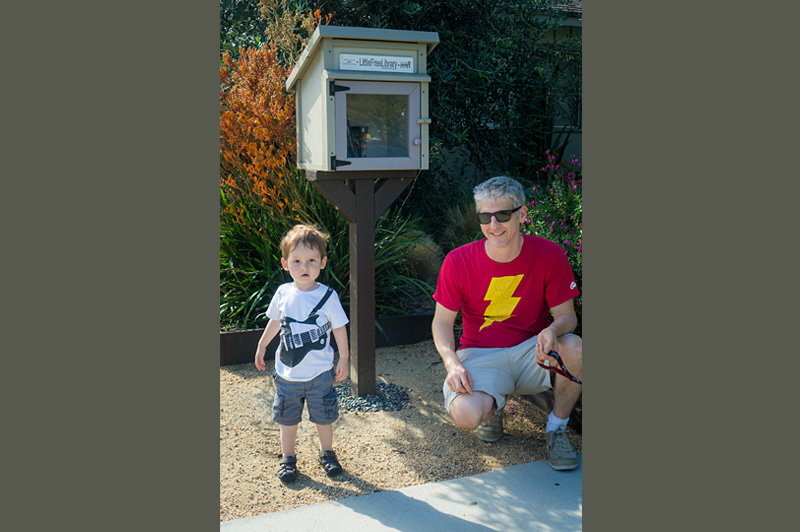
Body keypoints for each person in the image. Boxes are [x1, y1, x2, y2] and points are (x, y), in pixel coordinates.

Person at [431, 176, 583, 471]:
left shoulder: (549, 255)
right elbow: (441, 322)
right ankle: (492, 409)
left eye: (503, 215)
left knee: (575, 347)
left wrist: (552, 330)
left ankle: (556, 428)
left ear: (522, 214)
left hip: (531, 352)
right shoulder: (457, 261)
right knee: (465, 414)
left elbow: (568, 317)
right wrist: (452, 363)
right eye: (485, 217)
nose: (494, 225)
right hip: (480, 353)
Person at [254, 224, 350, 482]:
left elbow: (339, 328)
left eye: (311, 260)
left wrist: (344, 358)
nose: (304, 267)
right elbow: (275, 321)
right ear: (285, 264)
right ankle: (288, 459)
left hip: (320, 374)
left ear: (323, 262)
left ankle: (327, 453)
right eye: (296, 261)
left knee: (324, 416)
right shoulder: (283, 293)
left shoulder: (328, 296)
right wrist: (263, 345)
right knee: (288, 419)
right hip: (287, 374)